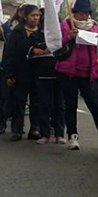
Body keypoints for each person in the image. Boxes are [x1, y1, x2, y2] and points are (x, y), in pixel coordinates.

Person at [56, 0, 98, 150]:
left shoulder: (94, 26)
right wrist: (69, 36)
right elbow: (58, 43)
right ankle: (72, 135)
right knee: (71, 104)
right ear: (75, 12)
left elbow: (97, 47)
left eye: (87, 13)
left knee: (95, 106)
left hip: (88, 73)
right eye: (81, 12)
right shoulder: (67, 24)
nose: (84, 16)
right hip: (69, 72)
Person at [1, 4, 42, 142]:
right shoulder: (17, 32)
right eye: (33, 15)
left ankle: (35, 128)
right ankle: (17, 130)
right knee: (19, 102)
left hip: (38, 72)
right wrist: (9, 74)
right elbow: (9, 54)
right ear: (25, 16)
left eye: (37, 15)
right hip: (19, 72)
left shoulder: (42, 33)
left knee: (36, 101)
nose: (36, 18)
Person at [28, 9, 65, 145]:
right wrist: (33, 50)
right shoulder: (36, 35)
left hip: (60, 74)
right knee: (44, 105)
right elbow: (27, 50)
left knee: (59, 105)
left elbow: (67, 50)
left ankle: (60, 133)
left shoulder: (62, 36)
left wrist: (56, 48)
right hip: (42, 75)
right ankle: (44, 134)